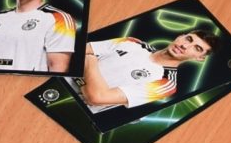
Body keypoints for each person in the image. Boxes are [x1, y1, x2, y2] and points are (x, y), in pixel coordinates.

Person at [78, 30, 218, 113]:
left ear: (200, 58)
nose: (185, 45)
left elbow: (97, 98)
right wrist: (92, 84)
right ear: (180, 36)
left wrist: (91, 61)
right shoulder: (132, 42)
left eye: (197, 48)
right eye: (188, 38)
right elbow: (73, 53)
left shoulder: (166, 84)